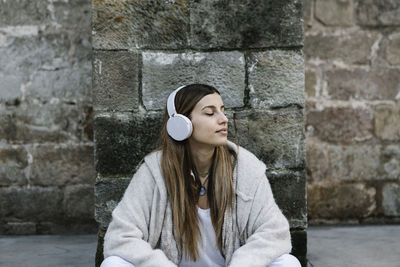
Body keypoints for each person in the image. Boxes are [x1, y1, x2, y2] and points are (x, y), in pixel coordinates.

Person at [100, 84, 301, 267]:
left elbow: (274, 233)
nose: (223, 119)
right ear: (181, 123)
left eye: (222, 110)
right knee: (113, 264)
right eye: (210, 113)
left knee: (288, 263)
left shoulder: (246, 168)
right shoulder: (155, 171)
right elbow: (121, 237)